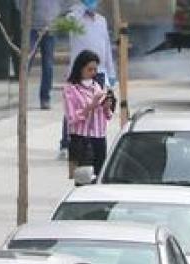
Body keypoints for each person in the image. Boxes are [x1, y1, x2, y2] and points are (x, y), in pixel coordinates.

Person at [61, 0, 117, 159]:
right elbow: (69, 17)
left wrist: (111, 72)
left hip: (100, 70)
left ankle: (95, 138)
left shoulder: (101, 21)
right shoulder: (74, 18)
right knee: (75, 106)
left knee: (99, 107)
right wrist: (82, 8)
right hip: (80, 70)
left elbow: (106, 47)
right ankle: (66, 142)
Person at [62, 50, 114, 179]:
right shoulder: (71, 89)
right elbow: (72, 117)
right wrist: (91, 106)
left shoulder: (97, 86)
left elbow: (107, 115)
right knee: (83, 178)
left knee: (100, 176)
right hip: (81, 139)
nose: (93, 73)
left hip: (99, 137)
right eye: (89, 69)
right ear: (80, 68)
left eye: (95, 69)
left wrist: (106, 107)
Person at [18, 0, 65, 110]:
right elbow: (20, 3)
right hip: (32, 28)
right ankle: (21, 96)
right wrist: (25, 16)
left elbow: (64, 3)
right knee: (26, 63)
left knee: (48, 65)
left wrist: (57, 15)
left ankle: (45, 98)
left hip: (50, 29)